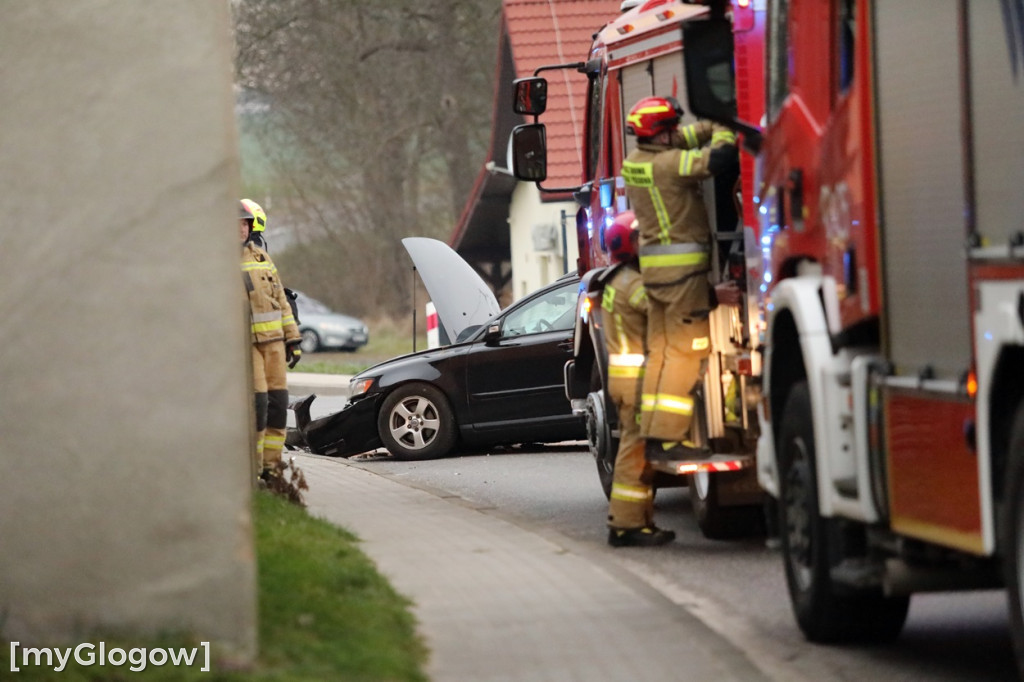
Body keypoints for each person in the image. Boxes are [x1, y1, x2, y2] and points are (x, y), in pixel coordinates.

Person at [621, 96, 741, 463]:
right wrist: (725, 126)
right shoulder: (671, 165)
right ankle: (669, 438)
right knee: (685, 357)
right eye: (671, 128)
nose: (677, 132)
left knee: (660, 355)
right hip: (682, 276)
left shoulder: (636, 162)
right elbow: (719, 159)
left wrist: (707, 124)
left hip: (656, 277)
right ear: (659, 135)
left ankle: (655, 434)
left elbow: (684, 140)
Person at [599, 212, 675, 547]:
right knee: (635, 453)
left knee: (638, 452)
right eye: (642, 238)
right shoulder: (632, 284)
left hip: (627, 381)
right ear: (629, 245)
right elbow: (664, 311)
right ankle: (626, 525)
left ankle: (638, 523)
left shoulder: (618, 281)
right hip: (637, 383)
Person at [240, 198, 302, 479]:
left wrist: (293, 339)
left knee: (279, 406)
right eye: (237, 225)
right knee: (259, 406)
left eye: (245, 225)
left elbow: (281, 300)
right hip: (247, 346)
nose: (242, 230)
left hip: (275, 344)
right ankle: (252, 469)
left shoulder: (263, 258)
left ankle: (272, 467)